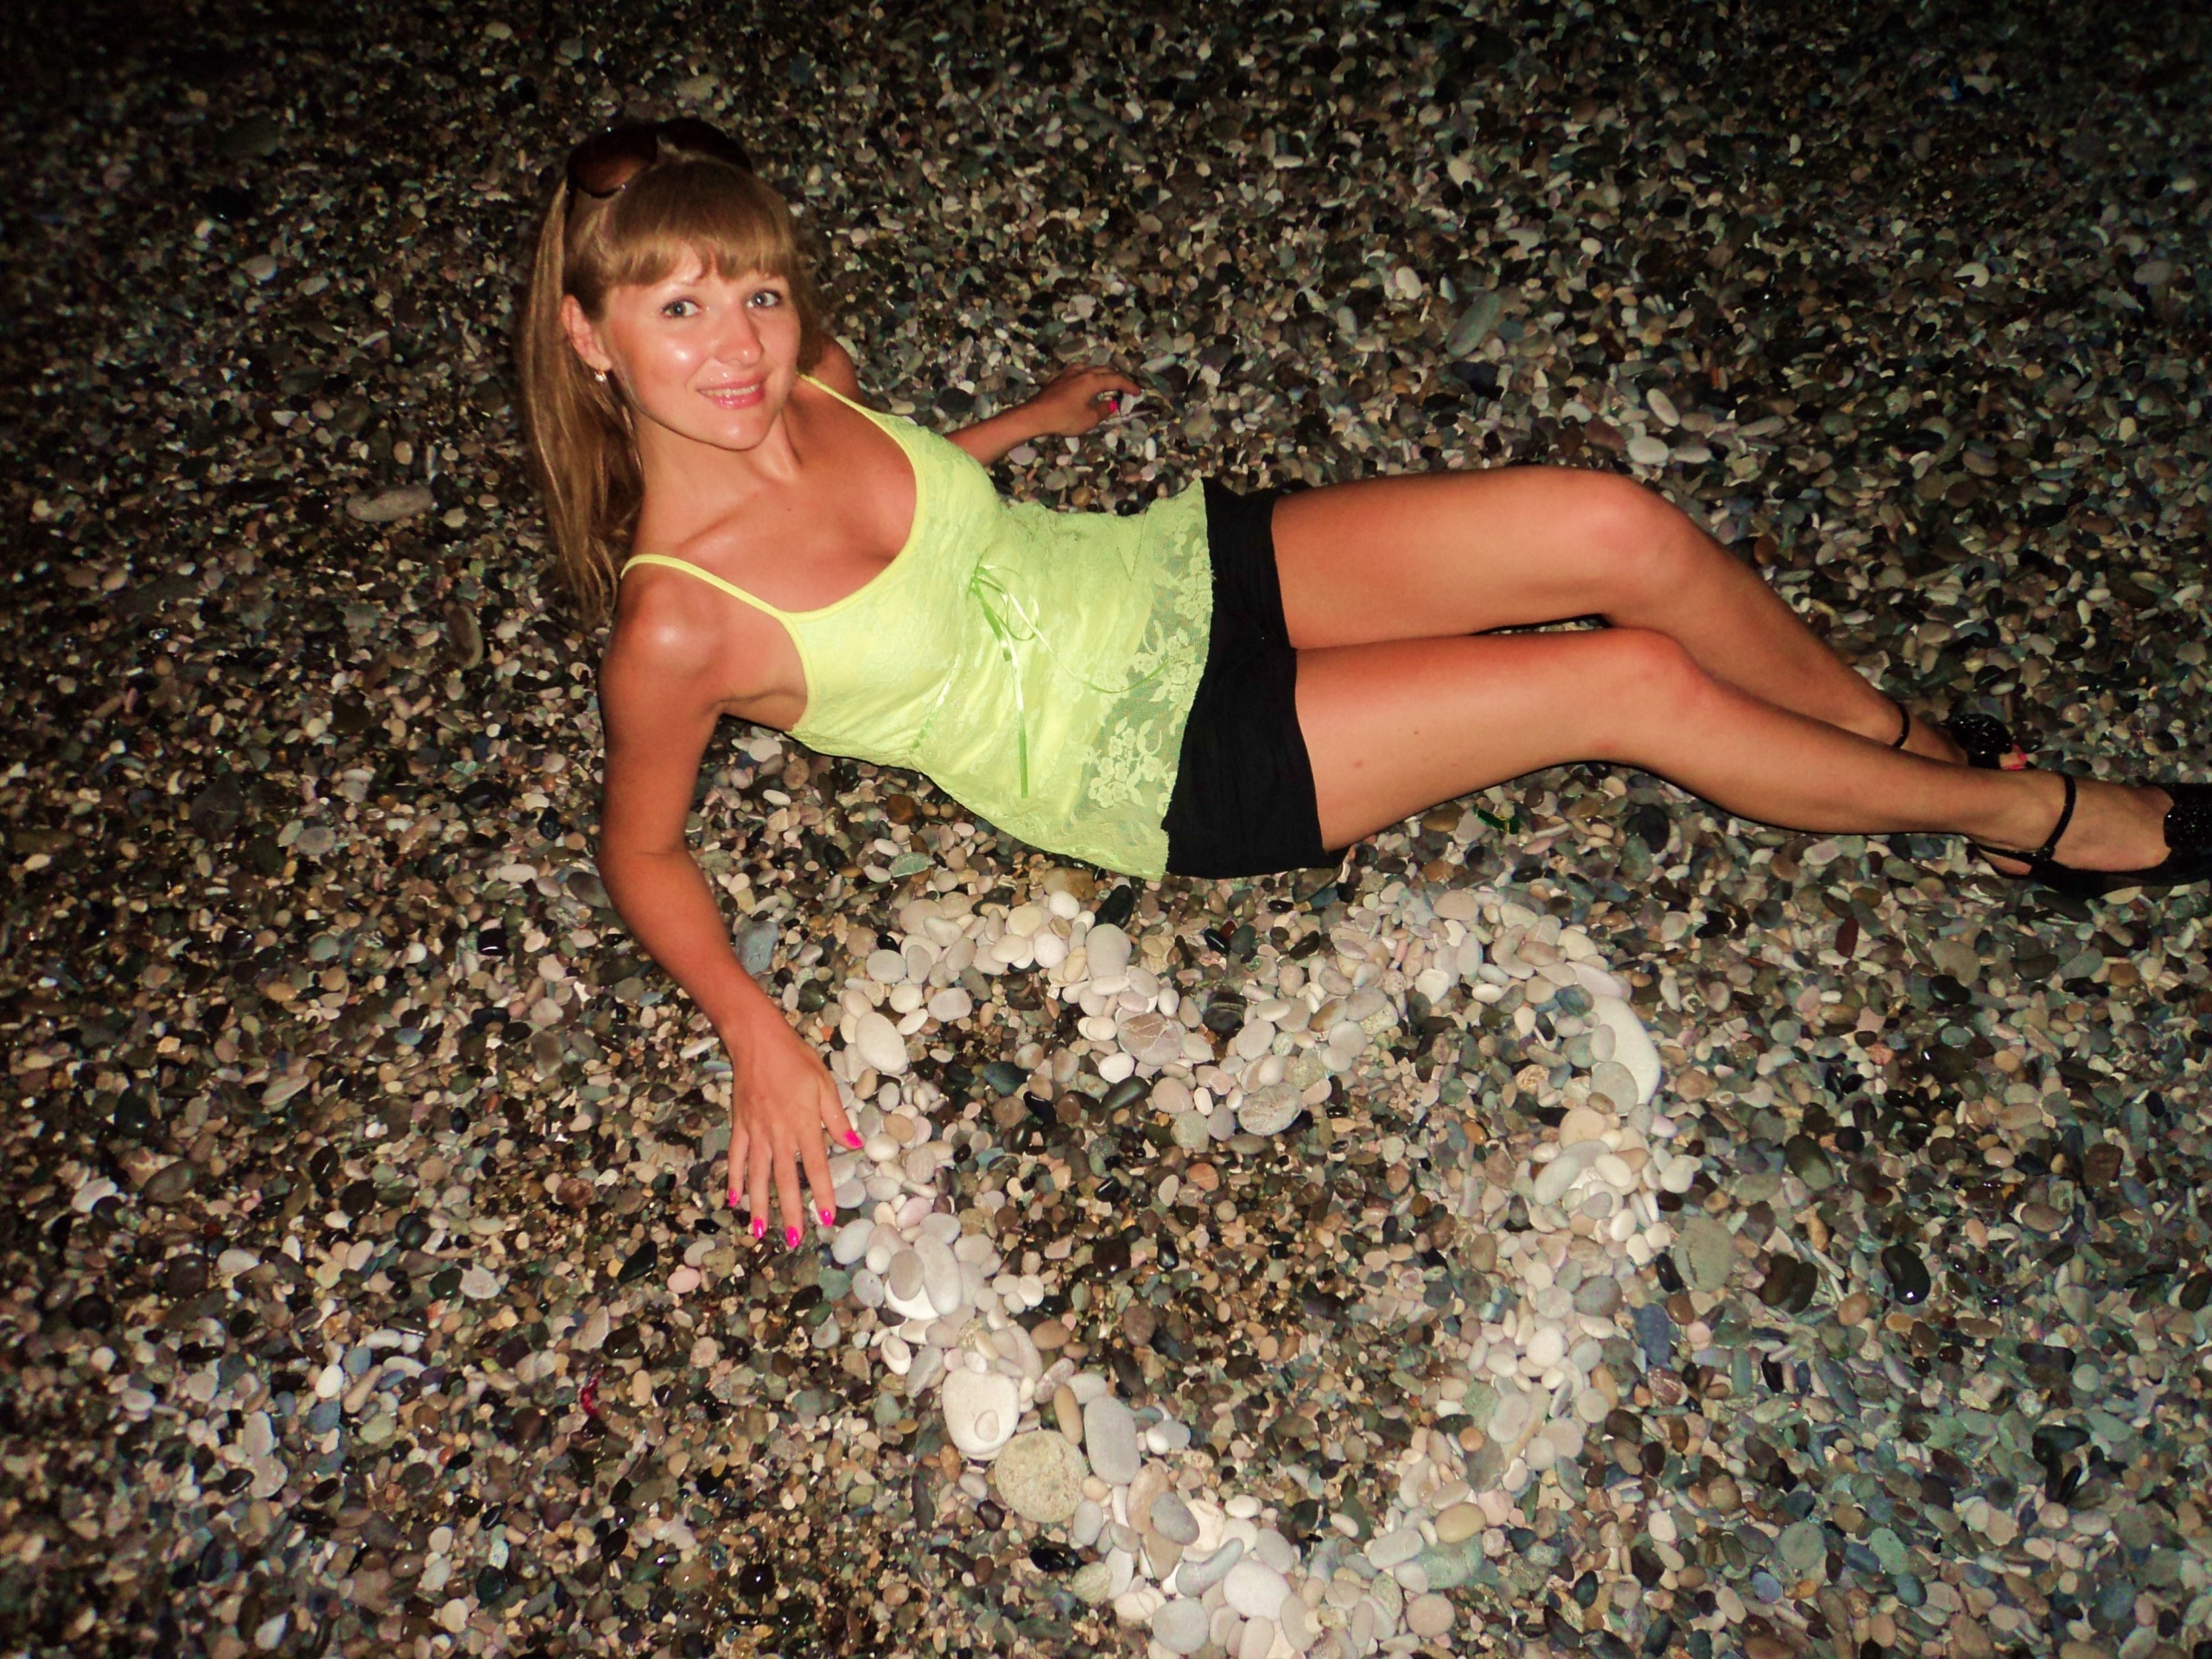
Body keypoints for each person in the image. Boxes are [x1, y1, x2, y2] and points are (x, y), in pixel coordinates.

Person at [517, 118, 2208, 1249]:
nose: (738, 345)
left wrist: (1021, 426)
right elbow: (639, 850)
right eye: (680, 309)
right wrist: (752, 1027)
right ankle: (2021, 819)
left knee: (1606, 521)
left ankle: (1886, 734)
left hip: (1161, 571)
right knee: (1619, 681)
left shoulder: (808, 377)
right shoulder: (680, 625)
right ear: (591, 338)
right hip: (1146, 757)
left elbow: (903, 498)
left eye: (756, 291)